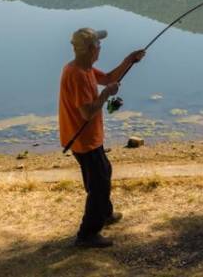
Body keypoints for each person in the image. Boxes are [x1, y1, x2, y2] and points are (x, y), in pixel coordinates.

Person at [59, 27, 146, 248]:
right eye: (98, 45)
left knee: (102, 172)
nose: (100, 48)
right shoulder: (76, 75)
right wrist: (106, 93)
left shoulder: (85, 68)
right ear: (90, 49)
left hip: (89, 138)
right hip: (83, 140)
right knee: (99, 184)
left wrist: (129, 60)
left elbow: (108, 77)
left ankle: (104, 213)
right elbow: (87, 112)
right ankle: (87, 234)